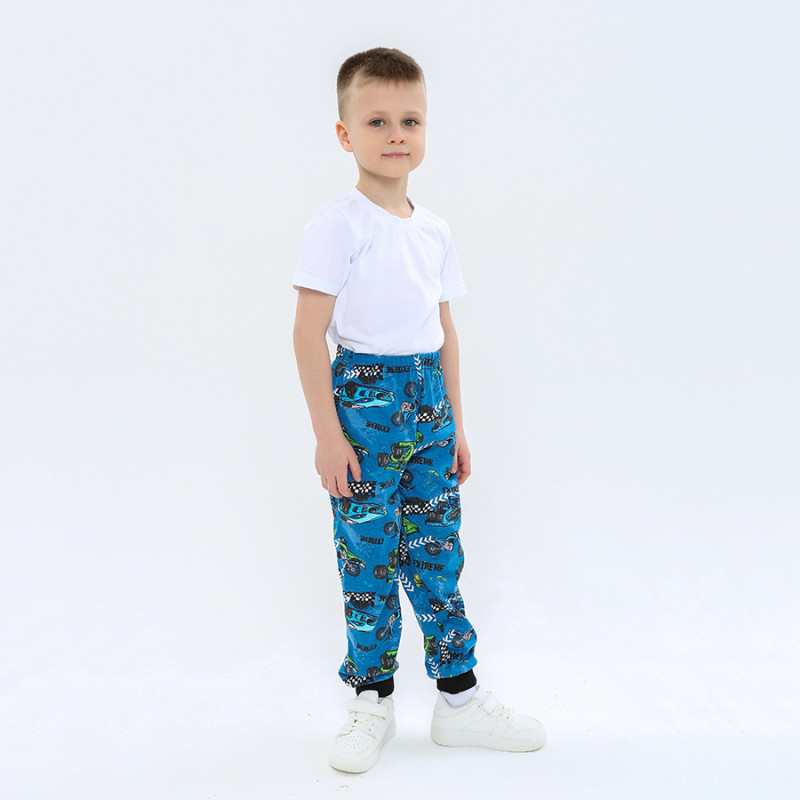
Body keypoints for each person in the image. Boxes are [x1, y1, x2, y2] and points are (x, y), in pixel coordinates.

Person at [292, 47, 545, 773]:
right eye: (377, 121)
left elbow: (445, 332)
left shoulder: (433, 229)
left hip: (430, 406)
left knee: (438, 552)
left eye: (411, 120)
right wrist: (328, 436)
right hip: (364, 408)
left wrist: (455, 423)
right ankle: (370, 700)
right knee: (368, 554)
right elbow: (308, 334)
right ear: (345, 134)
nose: (396, 134)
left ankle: (459, 700)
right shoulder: (338, 225)